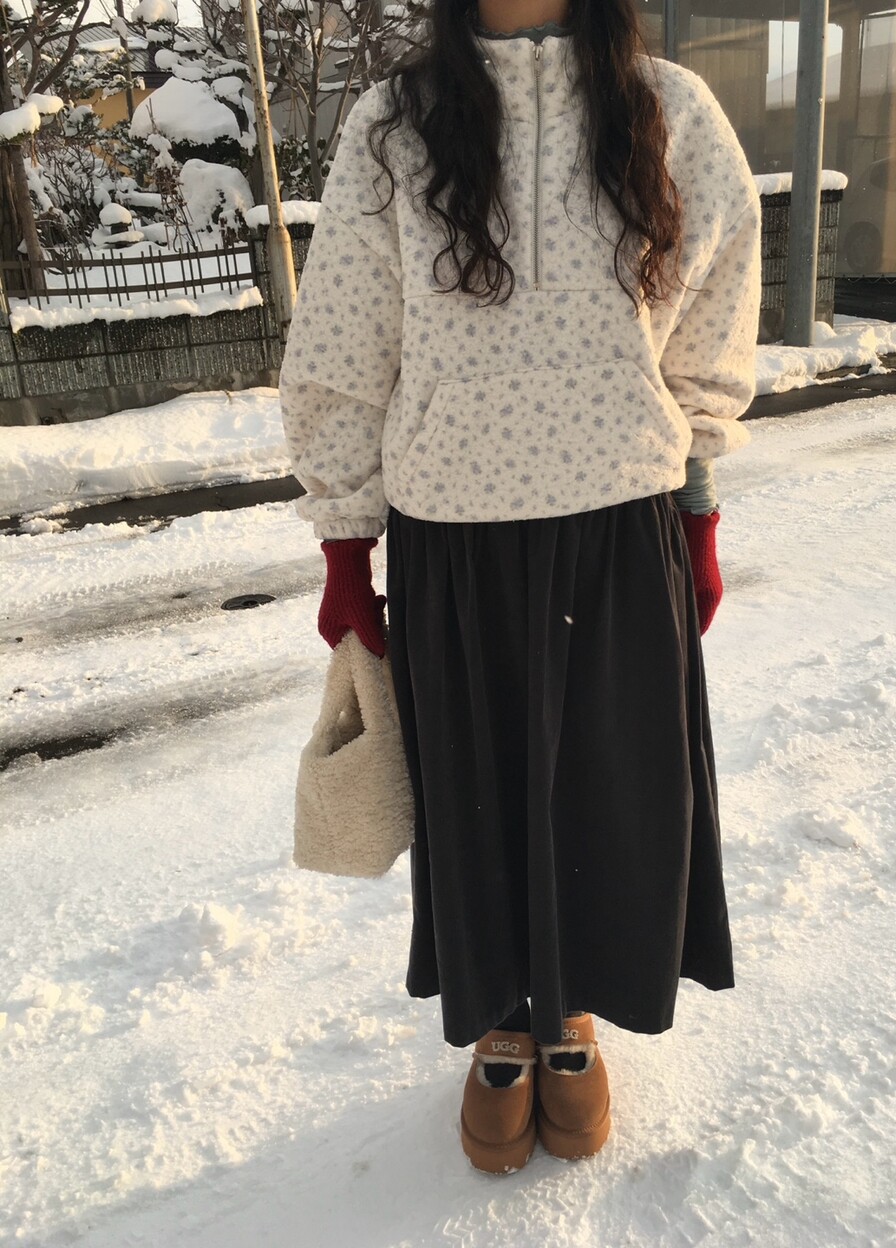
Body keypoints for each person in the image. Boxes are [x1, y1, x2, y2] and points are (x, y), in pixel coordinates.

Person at [279, 0, 761, 1175]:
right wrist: (344, 547)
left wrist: (697, 510)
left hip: (620, 520)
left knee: (607, 790)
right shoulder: (395, 124)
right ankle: (502, 1016)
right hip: (454, 535)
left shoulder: (668, 111)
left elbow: (708, 324)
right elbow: (343, 342)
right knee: (478, 793)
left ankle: (572, 1012)